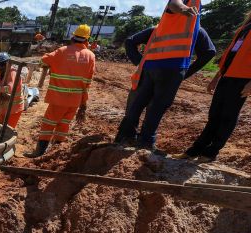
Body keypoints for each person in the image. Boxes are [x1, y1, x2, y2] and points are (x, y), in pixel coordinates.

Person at [114, 0, 204, 152]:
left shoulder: (165, 26)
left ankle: (124, 136)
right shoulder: (188, 8)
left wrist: (141, 62)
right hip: (173, 66)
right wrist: (184, 9)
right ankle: (145, 142)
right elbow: (174, 3)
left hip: (152, 65)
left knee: (138, 103)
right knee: (156, 107)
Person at [175, 12, 251, 162]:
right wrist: (216, 78)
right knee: (214, 115)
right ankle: (195, 150)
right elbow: (231, 56)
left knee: (227, 117)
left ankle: (211, 152)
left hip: (242, 80)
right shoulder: (244, 28)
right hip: (227, 76)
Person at [26, 24, 96, 157]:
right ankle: (55, 153)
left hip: (59, 98)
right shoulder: (91, 56)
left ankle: (39, 152)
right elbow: (88, 82)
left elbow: (44, 60)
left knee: (48, 124)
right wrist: (83, 103)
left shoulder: (63, 51)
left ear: (73, 37)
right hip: (75, 100)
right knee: (64, 125)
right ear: (87, 40)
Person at [0, 52, 25, 128]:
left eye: (3, 65)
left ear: (8, 64)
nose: (0, 67)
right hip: (4, 108)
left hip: (14, 109)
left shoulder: (12, 72)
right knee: (1, 129)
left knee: (7, 130)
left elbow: (10, 88)